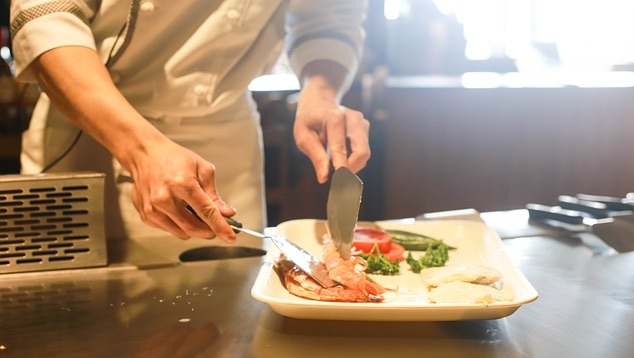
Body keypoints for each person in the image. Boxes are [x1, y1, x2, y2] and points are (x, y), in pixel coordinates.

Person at [9, 1, 371, 242]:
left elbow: (329, 17)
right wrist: (140, 150)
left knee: (231, 330)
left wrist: (321, 92)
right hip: (93, 128)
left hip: (225, 140)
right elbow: (46, 17)